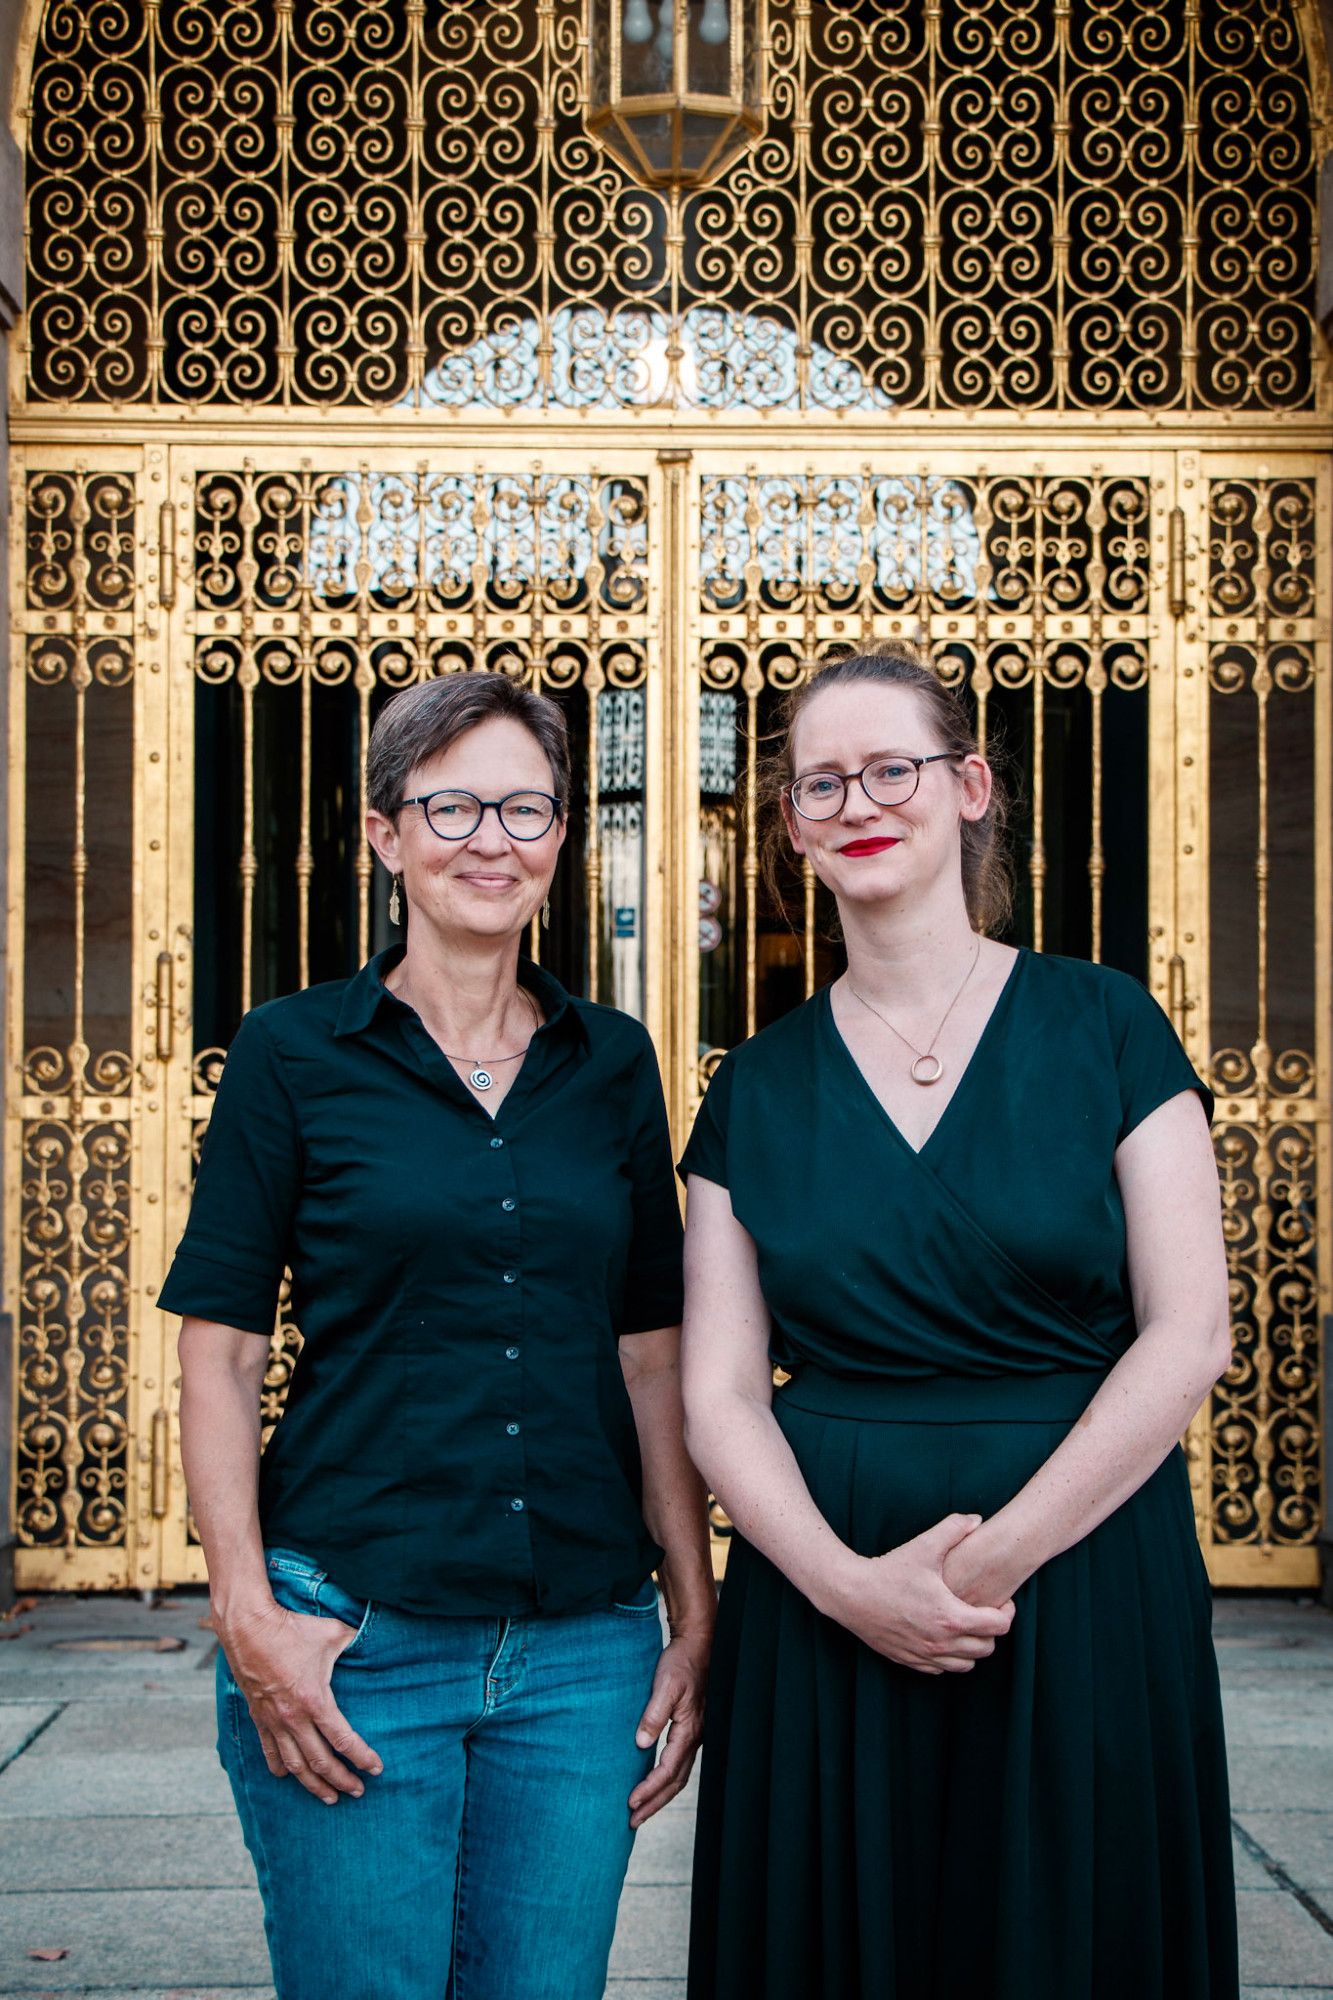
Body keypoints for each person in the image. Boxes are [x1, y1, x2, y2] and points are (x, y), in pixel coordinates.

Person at [678, 644, 1238, 2000]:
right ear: (794, 826)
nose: (858, 800)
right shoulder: (752, 1084)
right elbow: (717, 1395)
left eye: (892, 768)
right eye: (822, 781)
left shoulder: (1106, 1026)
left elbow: (1189, 1333)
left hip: (1080, 1573)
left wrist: (977, 1576)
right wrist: (847, 1587)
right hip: (823, 1592)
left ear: (969, 786)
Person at [162, 670, 714, 2000]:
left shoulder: (614, 1064)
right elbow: (221, 1350)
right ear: (383, 833)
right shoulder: (293, 1054)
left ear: (564, 836)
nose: (491, 839)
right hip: (352, 1634)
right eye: (451, 805)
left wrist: (692, 1611)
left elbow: (651, 1349)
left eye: (525, 807)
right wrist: (247, 1615)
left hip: (583, 1650)